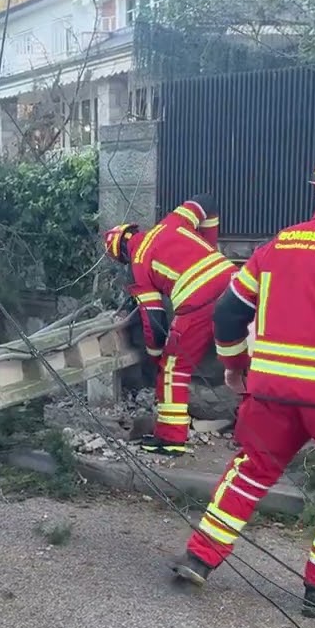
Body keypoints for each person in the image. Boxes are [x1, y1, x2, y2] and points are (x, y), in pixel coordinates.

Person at [172, 146, 315, 626]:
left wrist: (235, 365)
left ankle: (198, 558)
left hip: (270, 393)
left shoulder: (273, 247)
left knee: (252, 470)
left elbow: (229, 312)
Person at [102, 193, 235, 455]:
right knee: (246, 361)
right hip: (237, 284)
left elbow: (153, 318)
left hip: (199, 305)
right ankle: (254, 433)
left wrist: (156, 355)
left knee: (174, 368)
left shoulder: (138, 265)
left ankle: (171, 439)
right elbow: (208, 202)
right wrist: (211, 248)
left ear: (122, 255)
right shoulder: (172, 221)